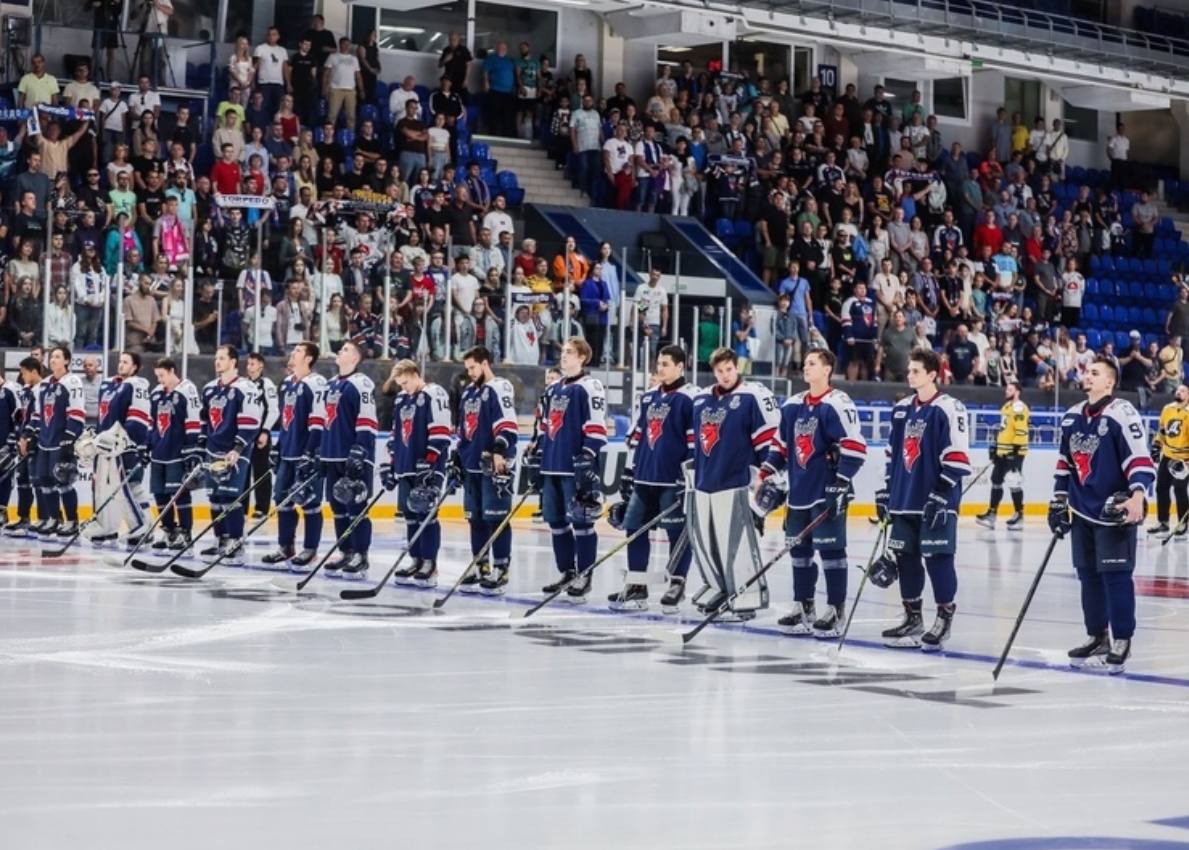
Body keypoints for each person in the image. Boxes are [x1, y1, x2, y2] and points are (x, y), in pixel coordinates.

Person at [1050, 357, 1153, 674]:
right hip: (1081, 510)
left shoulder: (1122, 414)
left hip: (1113, 511)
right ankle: (1098, 636)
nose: (1088, 376)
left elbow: (1139, 459)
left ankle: (1122, 638)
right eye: (1087, 371)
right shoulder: (1071, 418)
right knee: (1087, 577)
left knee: (1115, 577)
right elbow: (1065, 463)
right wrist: (1058, 501)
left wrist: (1137, 495)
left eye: (1095, 373)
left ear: (1110, 382)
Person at [757, 347, 867, 636]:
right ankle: (804, 606)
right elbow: (781, 445)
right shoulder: (792, 405)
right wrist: (767, 470)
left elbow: (855, 447)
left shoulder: (838, 403)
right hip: (798, 491)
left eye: (812, 363)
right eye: (805, 363)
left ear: (827, 369)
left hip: (827, 490)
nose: (806, 367)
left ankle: (835, 609)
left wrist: (841, 481)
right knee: (799, 551)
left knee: (831, 551)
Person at [873, 349, 971, 650]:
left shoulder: (949, 408)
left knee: (939, 559)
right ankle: (912, 616)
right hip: (904, 499)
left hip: (935, 499)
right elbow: (892, 454)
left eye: (916, 370)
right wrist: (886, 490)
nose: (910, 374)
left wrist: (942, 492)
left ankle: (944, 616)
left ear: (932, 374)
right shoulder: (901, 409)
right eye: (909, 369)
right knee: (906, 560)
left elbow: (957, 455)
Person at [685, 347, 779, 621]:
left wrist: (768, 478)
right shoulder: (701, 399)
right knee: (709, 542)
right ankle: (719, 587)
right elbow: (696, 446)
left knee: (736, 545)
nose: (724, 375)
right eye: (719, 371)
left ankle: (746, 593)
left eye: (729, 369)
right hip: (704, 482)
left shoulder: (753, 396)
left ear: (737, 368)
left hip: (737, 482)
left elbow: (768, 443)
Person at [608, 345, 696, 613]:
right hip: (645, 479)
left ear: (681, 366)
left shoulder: (690, 398)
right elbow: (636, 437)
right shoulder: (648, 398)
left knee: (676, 533)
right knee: (634, 529)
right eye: (659, 363)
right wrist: (630, 470)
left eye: (666, 364)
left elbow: (695, 444)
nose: (660, 368)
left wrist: (688, 477)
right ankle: (637, 586)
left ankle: (676, 584)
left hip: (672, 481)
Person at [527, 337, 607, 602]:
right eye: (563, 352)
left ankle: (585, 575)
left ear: (582, 357)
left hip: (575, 468)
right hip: (552, 466)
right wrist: (537, 451)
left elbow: (596, 427)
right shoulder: (553, 389)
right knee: (556, 523)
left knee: (582, 522)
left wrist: (588, 455)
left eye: (570, 352)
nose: (564, 356)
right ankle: (567, 572)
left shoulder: (590, 386)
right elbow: (545, 426)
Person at [452, 346, 519, 595]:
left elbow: (507, 424)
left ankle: (501, 569)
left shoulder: (498, 388)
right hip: (471, 464)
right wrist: (457, 457)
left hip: (493, 463)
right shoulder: (469, 392)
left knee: (496, 517)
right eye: (467, 368)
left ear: (485, 364)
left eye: (472, 367)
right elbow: (463, 429)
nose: (469, 373)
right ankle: (481, 566)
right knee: (476, 518)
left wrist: (499, 451)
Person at [381, 359, 452, 586]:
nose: (403, 388)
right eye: (400, 384)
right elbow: (396, 432)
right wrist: (393, 461)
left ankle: (430, 563)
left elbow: (441, 430)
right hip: (406, 465)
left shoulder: (433, 393)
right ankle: (416, 559)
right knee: (410, 515)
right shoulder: (402, 399)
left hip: (428, 466)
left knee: (426, 514)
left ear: (414, 374)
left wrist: (429, 460)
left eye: (405, 382)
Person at [261, 342, 327, 568]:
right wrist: (278, 447)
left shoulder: (317, 383)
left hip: (307, 453)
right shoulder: (288, 384)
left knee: (310, 502)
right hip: (287, 452)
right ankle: (286, 547)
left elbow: (318, 422)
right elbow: (286, 421)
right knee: (282, 500)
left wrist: (310, 453)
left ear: (309, 358)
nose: (294, 353)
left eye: (299, 350)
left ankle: (310, 549)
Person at [319, 341, 378, 578]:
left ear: (354, 359)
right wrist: (320, 452)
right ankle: (346, 551)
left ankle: (361, 556)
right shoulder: (331, 385)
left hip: (353, 456)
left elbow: (368, 420)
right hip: (332, 455)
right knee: (338, 508)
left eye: (345, 349)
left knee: (356, 508)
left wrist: (359, 450)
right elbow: (326, 421)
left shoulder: (361, 383)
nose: (339, 352)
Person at [199, 346, 262, 566]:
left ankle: (236, 542)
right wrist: (201, 445)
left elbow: (252, 421)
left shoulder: (246, 387)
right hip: (213, 449)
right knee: (215, 498)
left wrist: (237, 448)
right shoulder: (209, 389)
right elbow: (205, 419)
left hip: (236, 451)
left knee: (229, 497)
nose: (217, 362)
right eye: (216, 358)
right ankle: (221, 540)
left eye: (222, 358)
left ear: (233, 362)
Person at [88, 350, 153, 545]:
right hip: (105, 446)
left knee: (130, 487)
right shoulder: (108, 384)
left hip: (123, 447)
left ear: (135, 367)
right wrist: (96, 437)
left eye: (126, 362)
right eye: (120, 361)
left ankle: (142, 527)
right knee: (101, 488)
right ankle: (106, 527)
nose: (121, 364)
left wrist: (124, 440)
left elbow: (138, 420)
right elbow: (103, 416)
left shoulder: (137, 385)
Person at [26, 347, 86, 537]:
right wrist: (33, 435)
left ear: (67, 361)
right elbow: (37, 414)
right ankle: (54, 518)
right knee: (44, 481)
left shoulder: (73, 382)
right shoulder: (43, 385)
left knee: (64, 480)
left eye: (58, 357)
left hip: (61, 441)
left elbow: (77, 413)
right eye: (52, 357)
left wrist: (70, 436)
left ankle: (72, 521)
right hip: (45, 441)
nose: (53, 360)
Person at [147, 357, 202, 550]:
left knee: (179, 494)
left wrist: (192, 450)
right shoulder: (155, 394)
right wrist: (147, 446)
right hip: (158, 452)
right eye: (157, 376)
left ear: (172, 371)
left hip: (177, 453)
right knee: (160, 495)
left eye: (162, 376)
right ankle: (169, 531)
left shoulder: (187, 390)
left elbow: (193, 422)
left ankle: (185, 532)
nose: (159, 380)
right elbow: (151, 423)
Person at [976, 379, 1030, 531]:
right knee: (996, 480)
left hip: (1015, 453)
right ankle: (992, 514)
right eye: (1007, 389)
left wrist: (1015, 451)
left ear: (1017, 392)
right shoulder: (1007, 406)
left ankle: (1019, 515)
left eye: (1010, 389)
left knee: (1014, 481)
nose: (1006, 391)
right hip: (1003, 452)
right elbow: (1003, 429)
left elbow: (1021, 430)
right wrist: (995, 447)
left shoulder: (1019, 407)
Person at [6, 357, 44, 536]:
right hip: (24, 440)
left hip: (35, 441)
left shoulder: (42, 390)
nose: (22, 376)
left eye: (24, 372)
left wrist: (29, 437)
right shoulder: (27, 391)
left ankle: (47, 518)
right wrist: (19, 436)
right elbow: (23, 416)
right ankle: (24, 517)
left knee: (38, 481)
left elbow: (39, 417)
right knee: (23, 480)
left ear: (34, 371)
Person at [1149, 383, 1189, 537]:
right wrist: (1156, 445)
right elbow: (1163, 430)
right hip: (1168, 454)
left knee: (1180, 489)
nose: (1179, 392)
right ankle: (1163, 522)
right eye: (1178, 390)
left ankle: (1182, 523)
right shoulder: (1167, 409)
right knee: (1161, 487)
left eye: (1183, 391)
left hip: (1184, 458)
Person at [244, 352, 279, 519]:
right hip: (244, 435)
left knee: (261, 472)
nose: (249, 367)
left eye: (253, 363)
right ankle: (241, 507)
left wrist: (265, 431)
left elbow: (273, 410)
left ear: (260, 366)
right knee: (242, 472)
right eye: (248, 363)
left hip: (259, 435)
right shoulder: (243, 384)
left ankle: (262, 508)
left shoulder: (267, 384)